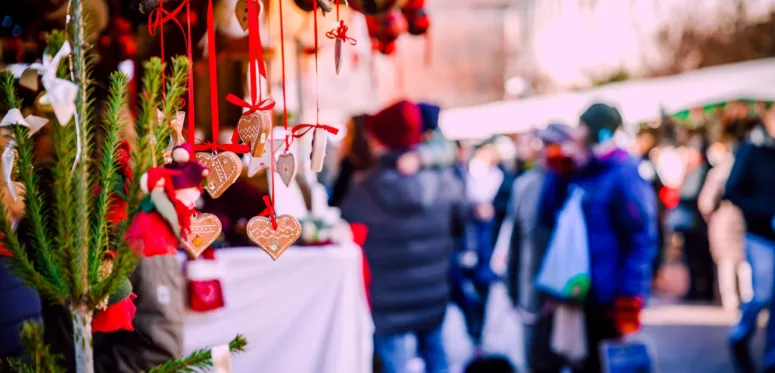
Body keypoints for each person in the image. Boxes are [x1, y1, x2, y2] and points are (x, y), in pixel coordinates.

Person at [340, 100, 465, 373]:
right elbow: (460, 225)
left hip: (386, 301)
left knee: (393, 362)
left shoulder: (363, 187)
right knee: (436, 355)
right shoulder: (444, 179)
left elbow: (348, 231)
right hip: (433, 293)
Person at [538, 103, 658, 372]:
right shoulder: (581, 171)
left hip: (610, 294)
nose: (576, 133)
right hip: (578, 289)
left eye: (582, 126)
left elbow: (641, 237)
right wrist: (558, 172)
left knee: (607, 362)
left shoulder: (623, 172)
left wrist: (631, 294)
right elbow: (547, 215)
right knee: (581, 361)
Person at [506, 123, 575, 373]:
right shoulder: (525, 186)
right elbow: (515, 242)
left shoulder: (580, 183)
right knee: (536, 361)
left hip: (572, 296)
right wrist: (513, 289)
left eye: (554, 145)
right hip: (533, 295)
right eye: (544, 144)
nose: (548, 151)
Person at [724, 110, 775, 373]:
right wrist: (762, 213)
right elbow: (732, 189)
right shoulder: (752, 150)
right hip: (760, 234)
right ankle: (740, 335)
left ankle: (771, 358)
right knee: (762, 294)